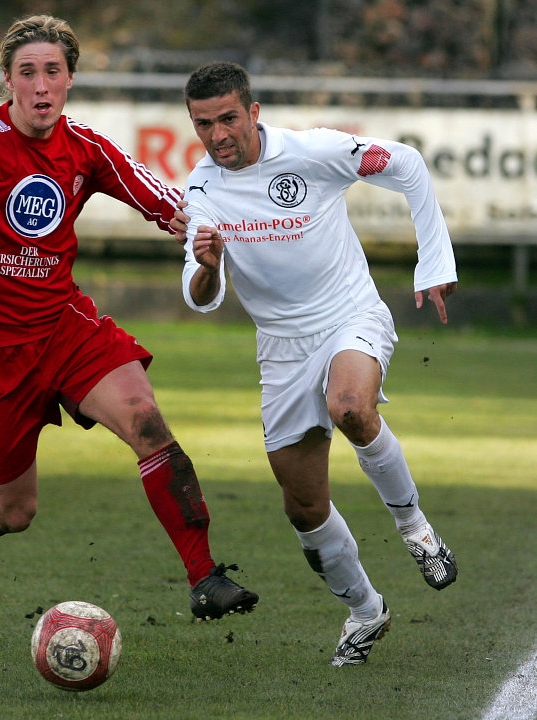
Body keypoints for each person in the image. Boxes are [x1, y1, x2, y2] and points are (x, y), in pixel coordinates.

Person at [0, 16, 258, 622]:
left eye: (53, 73)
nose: (41, 86)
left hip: (64, 326)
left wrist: (194, 228)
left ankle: (204, 576)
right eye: (27, 73)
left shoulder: (83, 147)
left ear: (69, 81)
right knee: (16, 509)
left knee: (147, 421)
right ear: (8, 81)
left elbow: (158, 197)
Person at [178, 61, 457, 665]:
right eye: (204, 124)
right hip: (280, 350)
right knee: (302, 506)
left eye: (228, 118)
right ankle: (365, 610)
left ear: (253, 113)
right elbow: (200, 297)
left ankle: (417, 531)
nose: (218, 134)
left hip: (350, 316)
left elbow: (406, 163)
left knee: (350, 405)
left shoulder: (314, 152)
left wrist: (434, 262)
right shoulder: (200, 192)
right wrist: (207, 261)